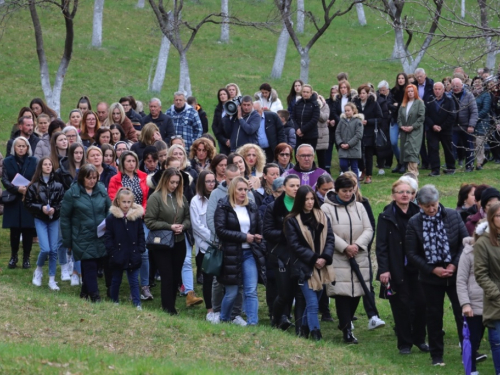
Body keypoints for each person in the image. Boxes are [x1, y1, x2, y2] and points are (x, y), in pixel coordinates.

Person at [405, 184, 468, 366]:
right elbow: (412, 253)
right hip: (430, 278)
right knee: (434, 316)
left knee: (462, 313)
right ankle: (437, 355)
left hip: (455, 275)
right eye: (427, 206)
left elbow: (465, 243)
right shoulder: (414, 222)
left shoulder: (453, 215)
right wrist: (433, 269)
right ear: (419, 205)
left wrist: (454, 265)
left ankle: (470, 350)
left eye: (434, 204)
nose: (432, 209)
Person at [321, 175, 374, 344]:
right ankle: (347, 330)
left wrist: (357, 246)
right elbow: (327, 231)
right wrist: (345, 247)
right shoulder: (326, 208)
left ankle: (347, 321)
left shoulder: (359, 206)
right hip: (339, 256)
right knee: (343, 294)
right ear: (336, 191)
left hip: (358, 255)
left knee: (358, 291)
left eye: (350, 191)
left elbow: (368, 228)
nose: (348, 194)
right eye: (344, 191)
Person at [376, 179, 428, 354]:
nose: (405, 195)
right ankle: (404, 343)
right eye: (401, 192)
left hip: (419, 268)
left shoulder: (420, 213)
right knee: (401, 306)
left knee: (422, 304)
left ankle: (419, 339)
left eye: (408, 192)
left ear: (413, 195)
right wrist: (384, 269)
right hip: (397, 268)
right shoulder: (386, 216)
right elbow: (381, 245)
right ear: (393, 195)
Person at [284, 185, 335, 340]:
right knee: (312, 303)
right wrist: (314, 259)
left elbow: (330, 239)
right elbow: (295, 245)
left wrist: (324, 258)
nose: (310, 202)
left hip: (322, 267)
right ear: (300, 200)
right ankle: (316, 333)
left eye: (312, 198)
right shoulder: (291, 220)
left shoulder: (322, 216)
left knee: (314, 301)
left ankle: (305, 329)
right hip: (304, 267)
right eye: (306, 199)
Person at [215, 177, 266, 326]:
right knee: (232, 292)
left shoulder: (251, 206)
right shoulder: (223, 206)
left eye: (245, 189)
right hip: (230, 254)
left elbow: (259, 228)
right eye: (240, 189)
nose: (243, 193)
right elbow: (220, 231)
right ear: (233, 190)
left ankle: (252, 323)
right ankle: (224, 318)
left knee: (251, 290)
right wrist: (244, 237)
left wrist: (257, 237)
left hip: (249, 253)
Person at [60, 164, 111, 302]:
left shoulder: (101, 189)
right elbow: (65, 218)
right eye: (89, 178)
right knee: (90, 265)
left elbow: (109, 208)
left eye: (94, 178)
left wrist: (107, 223)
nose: (92, 181)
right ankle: (95, 297)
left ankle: (84, 292)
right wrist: (68, 241)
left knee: (96, 263)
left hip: (100, 234)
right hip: (81, 235)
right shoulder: (72, 193)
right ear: (82, 178)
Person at [145, 168, 191, 315]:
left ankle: (170, 305)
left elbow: (188, 218)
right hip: (162, 243)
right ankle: (168, 308)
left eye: (177, 183)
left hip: (179, 241)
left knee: (176, 275)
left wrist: (183, 226)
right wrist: (169, 227)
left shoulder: (181, 197)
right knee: (167, 275)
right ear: (165, 181)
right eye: (172, 182)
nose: (174, 185)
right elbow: (149, 221)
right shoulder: (156, 197)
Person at [108, 150, 152, 301]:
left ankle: (145, 286)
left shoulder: (144, 177)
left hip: (140, 217)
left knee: (144, 252)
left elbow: (146, 197)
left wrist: (141, 211)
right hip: (121, 218)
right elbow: (113, 197)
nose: (131, 164)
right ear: (122, 163)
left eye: (133, 161)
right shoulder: (115, 179)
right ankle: (123, 285)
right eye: (128, 161)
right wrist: (126, 211)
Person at [264, 174, 305, 332]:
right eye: (292, 186)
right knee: (284, 293)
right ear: (284, 188)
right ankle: (276, 319)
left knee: (299, 293)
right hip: (281, 255)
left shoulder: (304, 205)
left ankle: (298, 325)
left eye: (297, 186)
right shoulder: (273, 207)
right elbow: (267, 232)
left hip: (300, 254)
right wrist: (286, 234)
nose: (295, 189)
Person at [25, 157, 65, 290]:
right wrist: (40, 208)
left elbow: (62, 202)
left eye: (50, 164)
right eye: (45, 164)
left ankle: (52, 279)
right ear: (40, 167)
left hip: (54, 219)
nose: (48, 166)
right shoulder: (34, 186)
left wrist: (55, 209)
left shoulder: (58, 185)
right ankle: (39, 270)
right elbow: (28, 203)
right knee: (46, 249)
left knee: (54, 250)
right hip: (40, 219)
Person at [105, 188, 145, 310]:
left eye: (129, 202)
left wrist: (140, 249)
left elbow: (140, 234)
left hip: (133, 254)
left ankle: (137, 303)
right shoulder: (112, 218)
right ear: (118, 201)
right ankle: (114, 301)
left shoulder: (136, 218)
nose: (126, 205)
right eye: (124, 202)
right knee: (116, 279)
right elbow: (108, 236)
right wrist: (113, 252)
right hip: (118, 255)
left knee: (134, 281)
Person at [2, 136, 38, 269]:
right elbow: (4, 179)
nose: (21, 148)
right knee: (14, 230)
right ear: (14, 147)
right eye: (19, 146)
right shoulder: (7, 161)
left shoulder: (34, 161)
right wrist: (17, 189)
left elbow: (36, 177)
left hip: (28, 199)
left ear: (27, 148)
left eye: (24, 146)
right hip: (13, 198)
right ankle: (14, 256)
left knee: (28, 229)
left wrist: (27, 190)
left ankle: (26, 258)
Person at [474, 202, 500, 375]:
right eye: (498, 216)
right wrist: (497, 294)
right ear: (491, 218)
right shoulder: (483, 242)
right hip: (496, 301)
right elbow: (481, 274)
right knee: (498, 341)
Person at [457, 224, 488, 374]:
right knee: (473, 338)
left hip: (493, 304)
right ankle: (471, 369)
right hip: (474, 305)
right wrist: (465, 304)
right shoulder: (468, 254)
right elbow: (461, 281)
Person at [190, 170, 217, 321]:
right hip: (205, 247)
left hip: (220, 246)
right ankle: (210, 309)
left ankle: (219, 307)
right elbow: (197, 226)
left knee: (220, 280)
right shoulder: (195, 201)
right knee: (208, 279)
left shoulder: (218, 197)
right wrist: (213, 238)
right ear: (201, 182)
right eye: (208, 181)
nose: (211, 184)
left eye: (213, 181)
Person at [425, 82, 457, 176]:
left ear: (443, 90)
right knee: (433, 148)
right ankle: (435, 169)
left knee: (448, 148)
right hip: (432, 129)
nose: (437, 91)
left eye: (439, 89)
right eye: (436, 89)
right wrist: (432, 125)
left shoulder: (449, 101)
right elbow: (426, 115)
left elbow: (452, 116)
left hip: (446, 129)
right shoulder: (429, 100)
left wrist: (442, 127)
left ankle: (451, 167)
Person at [354, 84, 383, 184]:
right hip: (358, 132)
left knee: (368, 154)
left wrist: (368, 121)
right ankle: (363, 170)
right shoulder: (355, 103)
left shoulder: (374, 103)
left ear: (367, 94)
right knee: (358, 154)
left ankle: (369, 175)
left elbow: (380, 118)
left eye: (363, 93)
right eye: (360, 93)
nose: (361, 95)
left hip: (370, 133)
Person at [451, 78, 478, 171]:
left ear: (461, 85)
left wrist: (471, 125)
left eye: (457, 86)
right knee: (451, 146)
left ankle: (469, 166)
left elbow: (474, 111)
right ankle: (450, 166)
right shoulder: (449, 96)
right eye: (453, 86)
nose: (455, 88)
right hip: (453, 126)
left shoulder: (469, 95)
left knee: (468, 147)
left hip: (466, 126)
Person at [398, 84, 426, 176]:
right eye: (408, 91)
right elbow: (399, 117)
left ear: (415, 92)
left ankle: (413, 171)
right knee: (405, 150)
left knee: (412, 149)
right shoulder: (403, 104)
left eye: (412, 91)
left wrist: (412, 127)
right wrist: (401, 126)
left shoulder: (419, 103)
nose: (410, 93)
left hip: (415, 131)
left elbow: (421, 118)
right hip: (404, 131)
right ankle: (410, 171)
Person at [414, 68, 435, 169]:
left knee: (430, 140)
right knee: (420, 141)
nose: (419, 78)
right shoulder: (414, 86)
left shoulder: (431, 85)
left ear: (425, 76)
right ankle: (425, 161)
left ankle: (431, 161)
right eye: (417, 77)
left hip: (429, 114)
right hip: (418, 115)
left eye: (420, 76)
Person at [336, 102, 364, 177]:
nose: (347, 112)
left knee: (354, 166)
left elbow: (358, 135)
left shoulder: (358, 121)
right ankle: (347, 179)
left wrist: (349, 144)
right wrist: (340, 143)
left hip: (354, 148)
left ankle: (356, 184)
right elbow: (337, 133)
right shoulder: (342, 121)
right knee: (343, 164)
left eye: (348, 110)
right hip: (343, 147)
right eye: (345, 111)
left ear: (353, 110)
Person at [390, 73, 409, 173]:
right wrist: (395, 106)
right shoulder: (393, 91)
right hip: (394, 119)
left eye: (402, 78)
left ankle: (404, 164)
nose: (400, 80)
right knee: (393, 142)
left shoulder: (408, 90)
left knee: (404, 143)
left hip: (405, 120)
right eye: (399, 78)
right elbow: (389, 104)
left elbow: (407, 105)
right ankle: (399, 162)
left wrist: (397, 105)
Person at [472, 76, 492, 170]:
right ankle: (478, 160)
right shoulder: (471, 94)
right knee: (474, 143)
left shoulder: (486, 95)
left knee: (479, 142)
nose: (477, 84)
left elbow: (486, 109)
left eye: (479, 82)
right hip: (472, 121)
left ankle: (479, 163)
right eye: (475, 82)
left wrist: (476, 117)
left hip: (482, 122)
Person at [293, 84, 320, 151]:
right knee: (298, 155)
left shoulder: (315, 104)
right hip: (298, 135)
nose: (305, 94)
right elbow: (292, 117)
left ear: (311, 93)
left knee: (308, 156)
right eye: (304, 92)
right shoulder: (298, 103)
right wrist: (297, 129)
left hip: (310, 136)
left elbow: (314, 119)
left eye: (307, 92)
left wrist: (302, 130)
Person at [314, 94, 331, 172]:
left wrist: (318, 108)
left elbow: (324, 118)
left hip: (322, 137)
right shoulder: (311, 106)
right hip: (312, 135)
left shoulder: (325, 106)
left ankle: (324, 175)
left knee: (322, 159)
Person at [212, 88, 231, 155]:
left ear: (228, 95)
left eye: (224, 94)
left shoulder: (233, 107)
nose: (222, 96)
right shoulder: (218, 109)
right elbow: (214, 126)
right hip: (222, 140)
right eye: (220, 95)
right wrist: (223, 140)